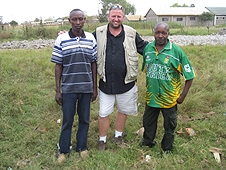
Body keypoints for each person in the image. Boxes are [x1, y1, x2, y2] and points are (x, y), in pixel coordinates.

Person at [93, 4, 148, 151]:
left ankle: (118, 136)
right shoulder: (98, 32)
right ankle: (102, 140)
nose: (116, 19)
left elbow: (145, 48)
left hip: (126, 83)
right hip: (106, 83)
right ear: (108, 16)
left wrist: (164, 45)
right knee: (103, 113)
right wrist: (65, 35)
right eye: (113, 16)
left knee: (123, 111)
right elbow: (86, 44)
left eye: (119, 16)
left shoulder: (131, 33)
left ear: (123, 17)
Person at [51, 9, 97, 163]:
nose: (78, 22)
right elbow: (58, 65)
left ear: (85, 20)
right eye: (75, 19)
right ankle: (63, 150)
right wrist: (58, 90)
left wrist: (94, 88)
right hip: (69, 89)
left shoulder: (90, 38)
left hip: (86, 88)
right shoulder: (61, 39)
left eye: (81, 19)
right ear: (69, 20)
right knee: (67, 120)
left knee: (84, 119)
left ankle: (82, 147)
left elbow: (94, 64)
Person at [141, 22, 195, 154]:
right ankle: (148, 142)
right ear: (153, 33)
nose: (160, 36)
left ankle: (167, 147)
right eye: (157, 32)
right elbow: (146, 70)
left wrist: (182, 96)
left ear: (168, 34)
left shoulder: (176, 52)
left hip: (169, 97)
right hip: (152, 96)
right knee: (148, 122)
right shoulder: (148, 48)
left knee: (169, 125)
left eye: (163, 33)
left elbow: (190, 76)